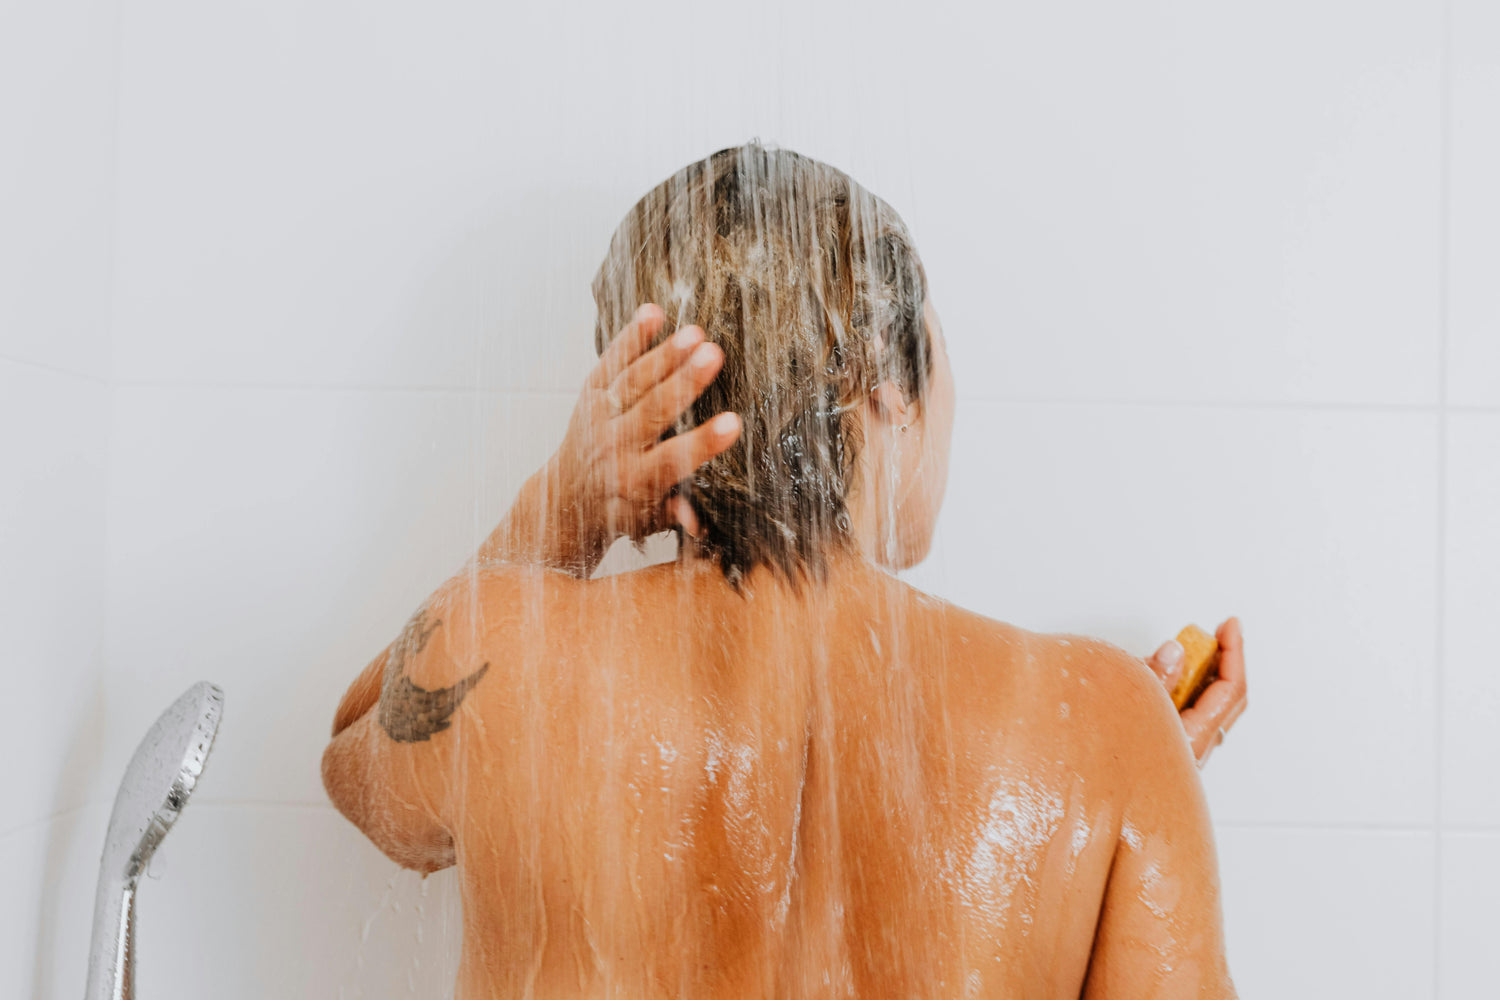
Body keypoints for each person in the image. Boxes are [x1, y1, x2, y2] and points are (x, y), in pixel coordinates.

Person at [323, 144, 1247, 997]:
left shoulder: (513, 662)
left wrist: (563, 508)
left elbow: (356, 768)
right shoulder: (1105, 723)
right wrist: (1131, 762)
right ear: (889, 382)